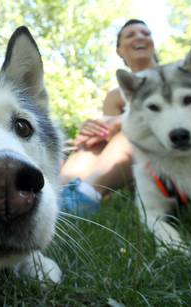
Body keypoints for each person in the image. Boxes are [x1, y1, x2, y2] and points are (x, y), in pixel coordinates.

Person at [60, 19, 157, 215]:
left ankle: (85, 194)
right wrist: (94, 131)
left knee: (133, 126)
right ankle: (55, 198)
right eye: (130, 35)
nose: (139, 37)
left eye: (145, 33)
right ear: (119, 50)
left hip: (170, 154)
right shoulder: (115, 96)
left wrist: (120, 120)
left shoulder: (173, 76)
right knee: (93, 142)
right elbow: (109, 139)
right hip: (132, 169)